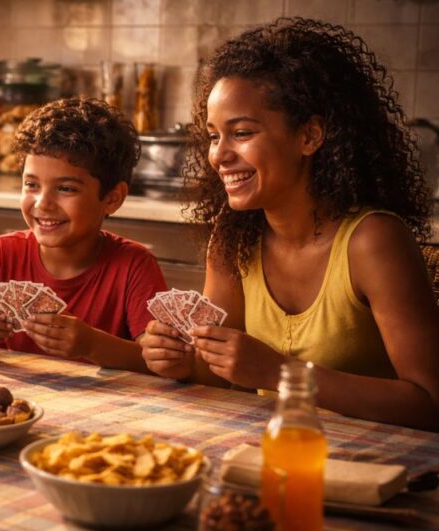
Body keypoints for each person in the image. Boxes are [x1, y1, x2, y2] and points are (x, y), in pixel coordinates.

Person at [139, 18, 439, 430]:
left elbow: (429, 403)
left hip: (376, 469)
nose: (218, 156)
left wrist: (282, 374)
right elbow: (220, 372)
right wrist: (179, 359)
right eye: (213, 136)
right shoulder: (234, 238)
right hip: (271, 449)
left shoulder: (372, 241)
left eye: (241, 133)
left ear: (310, 136)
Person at [0, 97, 168, 370]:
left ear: (113, 198)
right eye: (31, 184)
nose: (43, 203)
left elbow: (160, 361)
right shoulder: (1, 254)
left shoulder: (134, 267)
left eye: (66, 188)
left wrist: (92, 344)